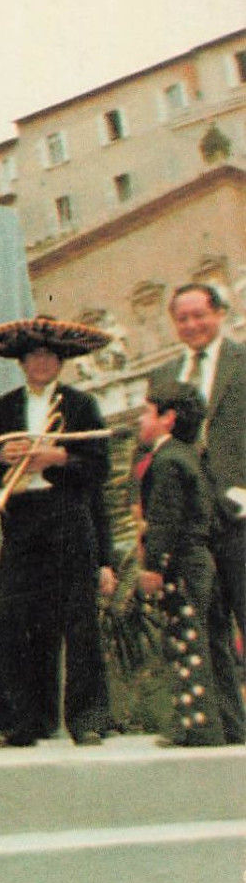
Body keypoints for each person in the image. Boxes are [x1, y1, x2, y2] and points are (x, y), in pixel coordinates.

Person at [0, 316, 115, 748]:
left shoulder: (81, 405)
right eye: (34, 356)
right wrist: (5, 456)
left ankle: (88, 719)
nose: (41, 363)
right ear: (22, 362)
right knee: (16, 619)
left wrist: (55, 459)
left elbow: (98, 467)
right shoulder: (3, 408)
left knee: (79, 619)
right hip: (22, 518)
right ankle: (24, 720)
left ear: (60, 362)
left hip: (68, 514)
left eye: (50, 356)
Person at [149, 283, 245, 744]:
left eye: (198, 315)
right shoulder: (165, 373)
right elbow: (148, 449)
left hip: (239, 516)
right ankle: (227, 726)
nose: (191, 325)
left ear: (220, 314)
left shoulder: (242, 361)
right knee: (206, 630)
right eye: (182, 318)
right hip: (191, 527)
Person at [134, 380, 226, 746]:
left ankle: (196, 727)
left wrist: (154, 566)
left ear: (167, 418)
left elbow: (164, 519)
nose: (141, 419)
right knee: (212, 644)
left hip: (183, 565)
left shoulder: (167, 459)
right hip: (202, 559)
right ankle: (228, 726)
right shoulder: (191, 454)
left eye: (146, 411)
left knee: (187, 643)